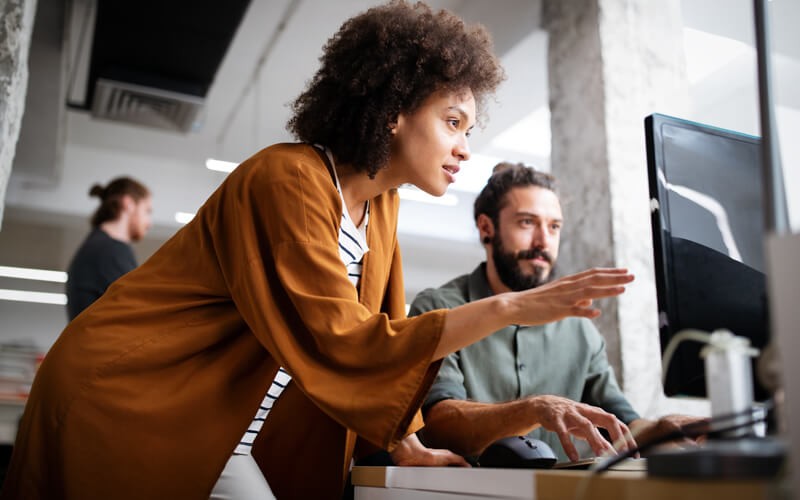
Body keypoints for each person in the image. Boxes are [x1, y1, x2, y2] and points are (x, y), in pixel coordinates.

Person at [1, 3, 635, 499]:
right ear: (393, 111)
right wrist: (510, 308)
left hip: (223, 430)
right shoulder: (287, 180)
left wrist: (408, 446)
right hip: (133, 397)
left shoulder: (379, 207)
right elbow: (345, 342)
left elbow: (380, 339)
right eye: (452, 122)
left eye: (469, 129)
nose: (465, 147)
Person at [410, 162, 703, 464]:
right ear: (486, 228)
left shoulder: (579, 327)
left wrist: (662, 430)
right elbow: (437, 426)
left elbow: (621, 422)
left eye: (554, 227)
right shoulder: (439, 309)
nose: (543, 242)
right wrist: (533, 409)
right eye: (527, 223)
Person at [65, 177, 153, 320]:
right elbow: (138, 311)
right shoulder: (109, 251)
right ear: (128, 203)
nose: (149, 223)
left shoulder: (99, 246)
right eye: (147, 211)